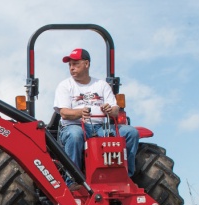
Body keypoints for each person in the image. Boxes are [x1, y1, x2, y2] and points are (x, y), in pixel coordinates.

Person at [53, 48, 139, 177]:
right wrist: (80, 112)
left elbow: (115, 110)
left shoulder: (101, 85)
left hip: (99, 128)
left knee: (131, 132)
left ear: (86, 64)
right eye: (70, 65)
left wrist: (110, 110)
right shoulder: (65, 85)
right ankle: (73, 180)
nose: (71, 68)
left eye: (76, 64)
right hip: (73, 126)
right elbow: (64, 113)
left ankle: (126, 176)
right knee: (75, 135)